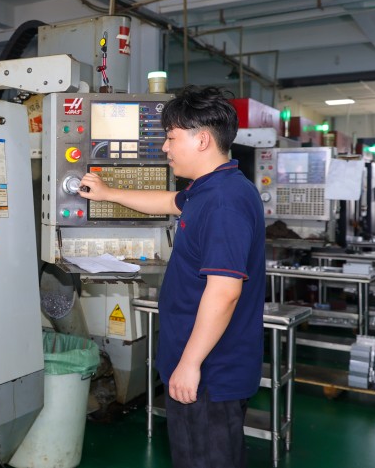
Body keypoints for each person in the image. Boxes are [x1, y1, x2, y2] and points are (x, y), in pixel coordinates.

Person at [78, 86, 265, 468]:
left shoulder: (224, 202)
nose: (165, 147)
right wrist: (108, 192)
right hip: (203, 363)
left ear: (202, 140)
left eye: (171, 137)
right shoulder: (209, 188)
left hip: (210, 372)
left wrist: (190, 364)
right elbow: (167, 202)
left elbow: (224, 292)